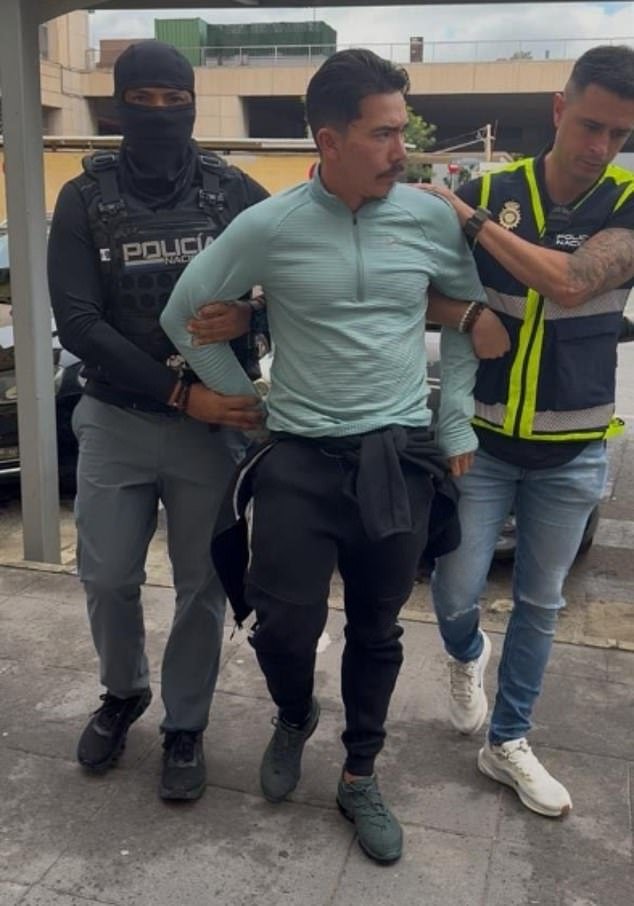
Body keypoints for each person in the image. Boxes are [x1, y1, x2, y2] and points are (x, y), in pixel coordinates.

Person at [160, 48, 506, 864]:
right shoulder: (270, 225)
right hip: (300, 457)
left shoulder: (427, 219)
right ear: (329, 140)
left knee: (378, 630)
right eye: (384, 135)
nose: (401, 151)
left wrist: (456, 422)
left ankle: (359, 774)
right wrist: (240, 400)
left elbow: (469, 320)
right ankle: (294, 713)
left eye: (402, 132)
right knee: (282, 626)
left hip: (396, 455)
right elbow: (183, 314)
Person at [47, 40, 268, 801]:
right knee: (107, 575)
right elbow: (79, 323)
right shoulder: (85, 198)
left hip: (214, 428)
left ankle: (186, 725)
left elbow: (297, 282)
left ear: (194, 103)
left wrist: (251, 314)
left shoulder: (232, 190)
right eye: (141, 101)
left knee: (202, 586)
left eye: (174, 100)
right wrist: (179, 395)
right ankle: (123, 691)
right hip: (117, 417)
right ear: (118, 107)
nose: (160, 113)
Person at [422, 44, 634, 818]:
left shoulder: (627, 198)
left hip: (572, 451)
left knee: (541, 604)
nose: (600, 147)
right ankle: (466, 654)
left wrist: (472, 223)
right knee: (454, 591)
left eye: (619, 134)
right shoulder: (492, 188)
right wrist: (470, 315)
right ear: (558, 107)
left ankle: (507, 740)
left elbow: (571, 282)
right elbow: (418, 294)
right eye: (590, 125)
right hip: (480, 443)